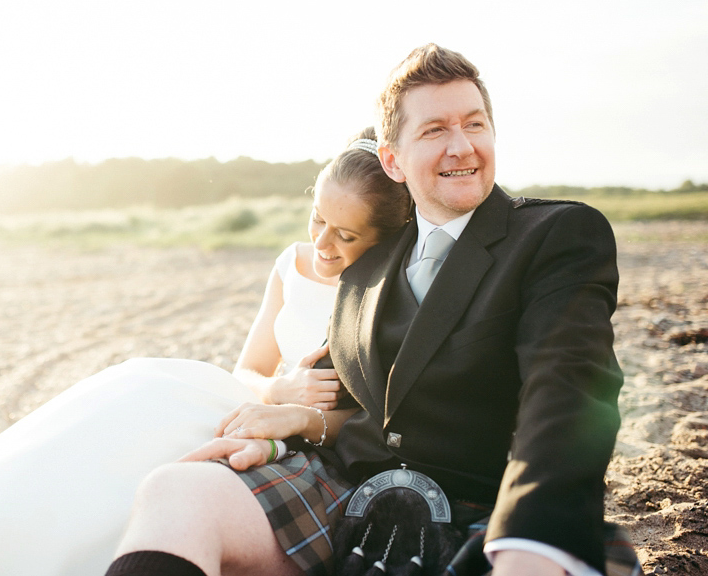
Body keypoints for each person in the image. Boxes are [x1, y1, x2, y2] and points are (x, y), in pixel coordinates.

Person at [0, 129, 412, 576]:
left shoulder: (390, 292)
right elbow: (248, 367)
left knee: (117, 468)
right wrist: (273, 392)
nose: (322, 245)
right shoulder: (292, 264)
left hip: (291, 449)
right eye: (315, 221)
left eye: (344, 234)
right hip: (233, 399)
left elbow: (388, 426)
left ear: (384, 239)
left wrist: (299, 414)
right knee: (97, 412)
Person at [103, 44, 638, 576]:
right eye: (434, 131)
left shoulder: (555, 234)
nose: (462, 147)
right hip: (342, 488)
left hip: (482, 507)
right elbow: (355, 402)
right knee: (176, 491)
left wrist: (533, 540)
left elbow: (567, 386)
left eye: (475, 124)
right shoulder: (365, 262)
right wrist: (294, 425)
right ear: (392, 160)